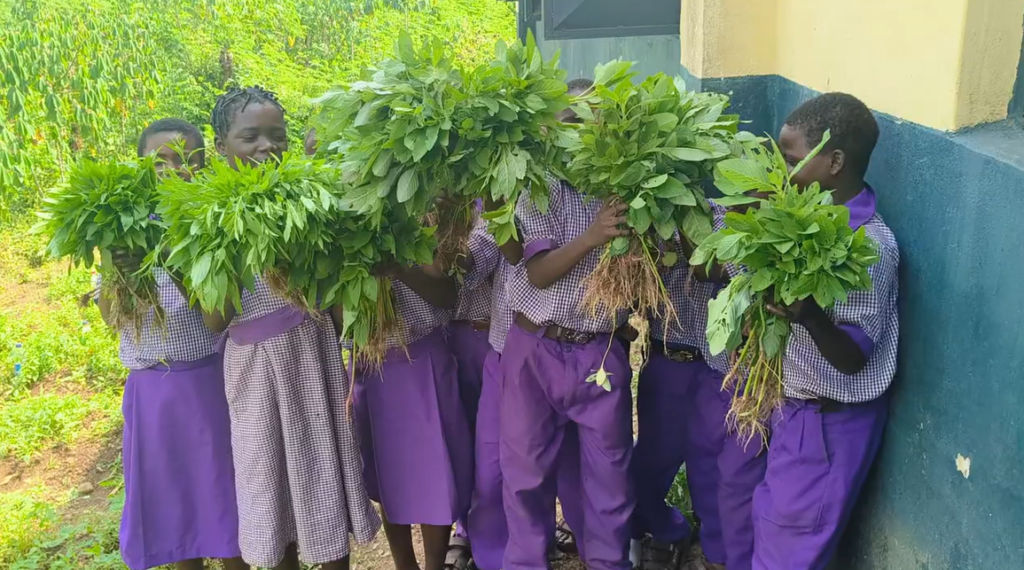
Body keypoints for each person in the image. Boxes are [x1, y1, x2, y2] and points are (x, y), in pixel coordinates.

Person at [202, 86, 380, 570]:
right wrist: (240, 252)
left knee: (322, 474)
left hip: (313, 356)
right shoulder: (208, 216)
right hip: (255, 371)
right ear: (221, 146)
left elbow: (336, 298)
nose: (267, 147)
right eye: (250, 137)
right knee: (269, 479)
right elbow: (214, 319)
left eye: (277, 136)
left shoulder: (309, 201)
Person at [751, 92, 899, 570]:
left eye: (791, 160)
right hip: (798, 413)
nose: (782, 171)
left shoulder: (869, 245)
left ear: (834, 161)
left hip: (828, 424)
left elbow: (855, 355)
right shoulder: (804, 222)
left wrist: (810, 315)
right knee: (777, 527)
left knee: (788, 546)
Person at [500, 77, 635, 570]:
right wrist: (594, 235)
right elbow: (536, 273)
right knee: (525, 473)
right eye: (568, 124)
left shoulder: (620, 192)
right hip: (535, 347)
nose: (578, 136)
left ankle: (608, 561)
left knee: (610, 477)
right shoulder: (537, 190)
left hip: (598, 351)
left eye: (590, 126)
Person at [101, 118, 246, 570]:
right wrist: (119, 271)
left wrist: (170, 256)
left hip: (208, 385)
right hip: (152, 394)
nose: (174, 170)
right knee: (177, 519)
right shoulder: (121, 227)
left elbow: (217, 314)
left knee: (226, 512)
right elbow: (112, 318)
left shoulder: (208, 224)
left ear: (203, 167)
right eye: (160, 161)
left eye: (188, 161)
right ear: (140, 167)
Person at [461, 209, 584, 570]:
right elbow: (479, 254)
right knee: (494, 471)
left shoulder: (570, 191)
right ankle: (501, 559)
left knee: (572, 466)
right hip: (506, 355)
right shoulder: (502, 203)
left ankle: (584, 544)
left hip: (573, 351)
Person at [351, 218, 471, 570]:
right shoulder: (346, 226)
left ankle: (433, 565)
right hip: (374, 363)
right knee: (391, 477)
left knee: (436, 472)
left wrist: (399, 269)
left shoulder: (421, 221)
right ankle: (405, 565)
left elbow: (448, 295)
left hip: (423, 359)